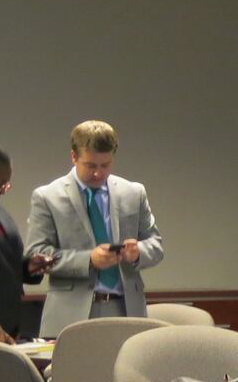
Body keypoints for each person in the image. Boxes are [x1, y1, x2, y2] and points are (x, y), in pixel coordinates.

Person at [26, 121, 164, 336]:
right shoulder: (47, 196)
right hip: (71, 313)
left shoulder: (133, 193)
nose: (98, 173)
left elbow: (155, 245)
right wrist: (88, 260)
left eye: (105, 165)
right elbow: (36, 256)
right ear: (74, 157)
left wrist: (138, 252)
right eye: (90, 165)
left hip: (126, 309)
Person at [0, 143, 49, 342]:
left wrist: (29, 266)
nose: (3, 191)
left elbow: (4, 265)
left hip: (6, 331)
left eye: (7, 185)